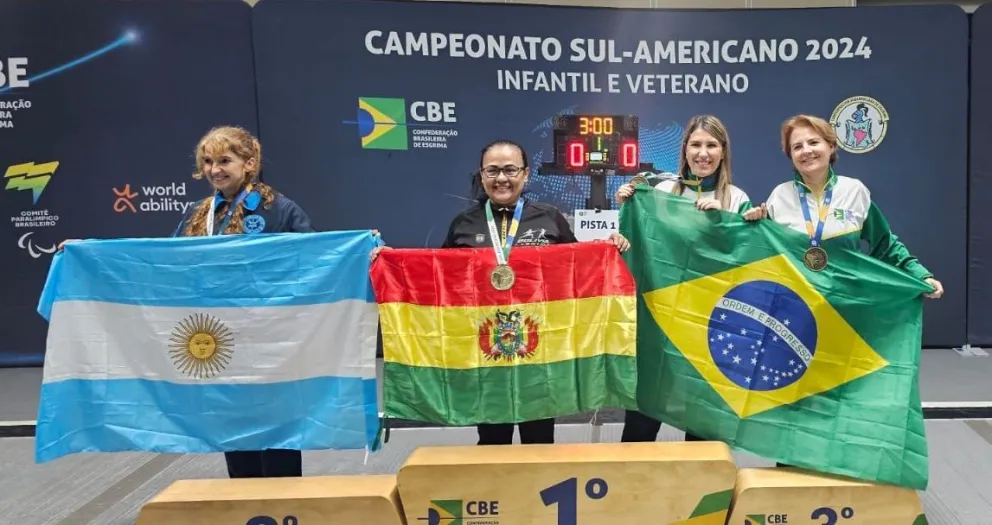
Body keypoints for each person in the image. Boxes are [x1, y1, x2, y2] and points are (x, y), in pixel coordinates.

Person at [61, 125, 316, 478]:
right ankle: (244, 496)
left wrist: (360, 249)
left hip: (267, 338)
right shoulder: (199, 212)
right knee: (233, 424)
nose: (215, 169)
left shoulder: (279, 209)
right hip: (219, 338)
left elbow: (315, 255)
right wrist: (89, 252)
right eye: (208, 161)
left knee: (275, 423)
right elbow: (164, 262)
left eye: (224, 160)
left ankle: (284, 498)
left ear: (249, 163)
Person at [373, 138, 629, 445]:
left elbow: (578, 269)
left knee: (539, 441)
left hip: (540, 351)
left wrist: (607, 248)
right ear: (482, 176)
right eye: (492, 171)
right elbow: (438, 278)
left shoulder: (549, 218)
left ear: (526, 174)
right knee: (492, 440)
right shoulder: (464, 223)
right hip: (486, 351)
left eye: (510, 169)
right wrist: (392, 261)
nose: (502, 178)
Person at [613, 115, 752, 444]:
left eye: (711, 145)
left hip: (710, 326)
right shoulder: (661, 191)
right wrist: (627, 210)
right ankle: (633, 478)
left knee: (703, 427)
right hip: (661, 322)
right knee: (641, 422)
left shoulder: (736, 198)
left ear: (723, 151)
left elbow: (745, 262)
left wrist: (724, 223)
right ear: (685, 149)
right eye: (696, 144)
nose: (703, 153)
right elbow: (642, 246)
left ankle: (704, 479)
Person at [742, 114, 943, 299]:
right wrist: (751, 224)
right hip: (797, 306)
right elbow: (761, 254)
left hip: (847, 304)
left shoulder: (854, 190)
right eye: (797, 147)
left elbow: (885, 244)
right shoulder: (779, 196)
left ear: (831, 146)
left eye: (813, 142)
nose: (806, 151)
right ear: (791, 156)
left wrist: (920, 275)